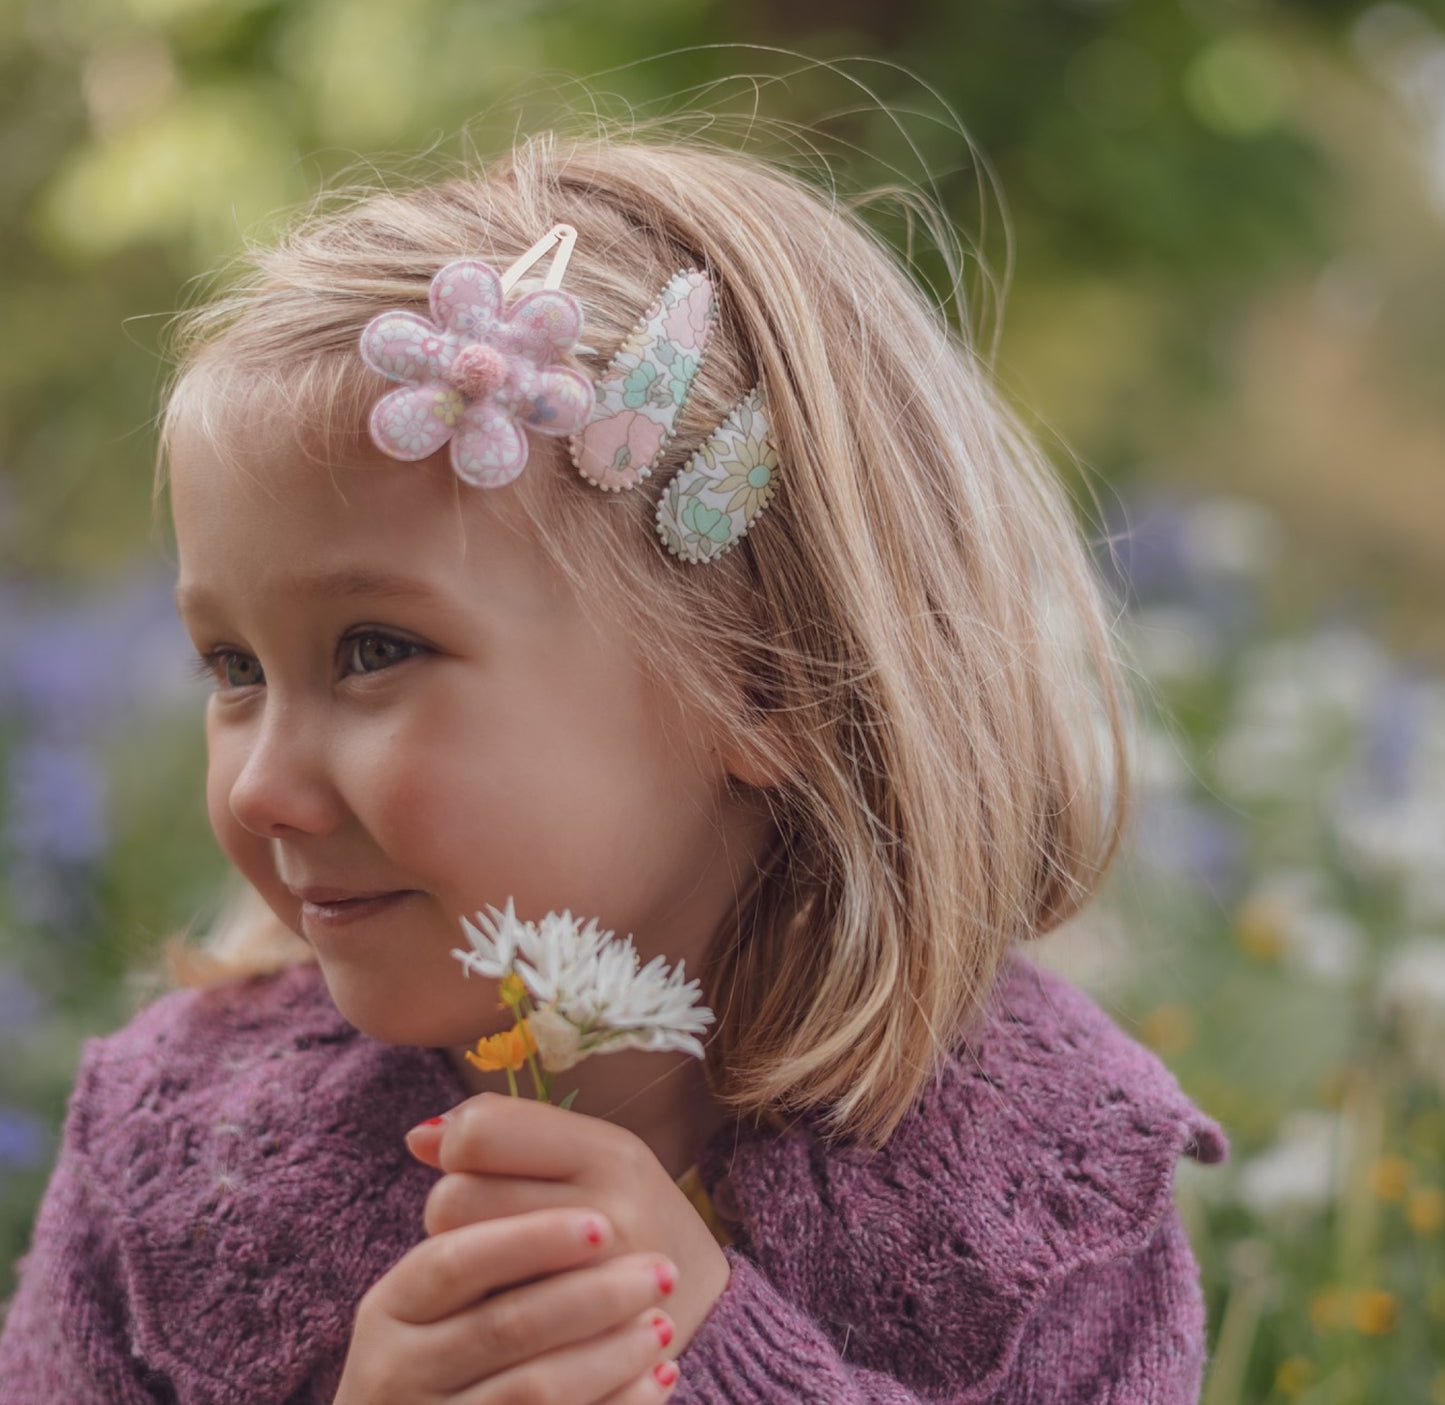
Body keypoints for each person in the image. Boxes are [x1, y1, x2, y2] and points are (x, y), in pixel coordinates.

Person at [0, 128, 1228, 1404]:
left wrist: (718, 1356)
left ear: (770, 677)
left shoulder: (1043, 1173)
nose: (259, 787)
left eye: (374, 649)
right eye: (233, 668)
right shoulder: (181, 1145)